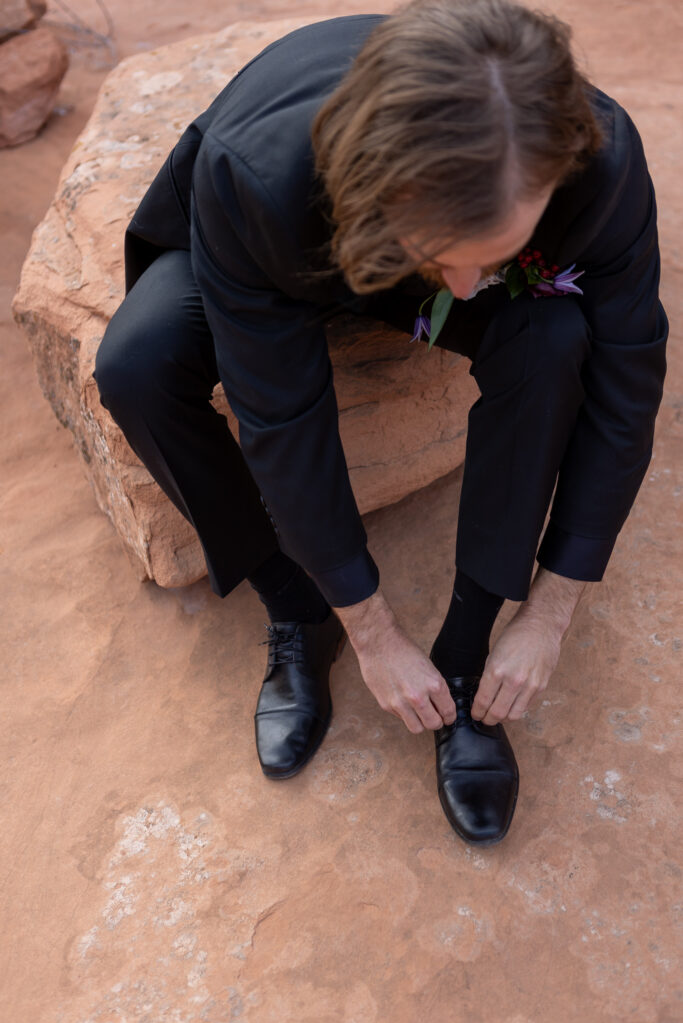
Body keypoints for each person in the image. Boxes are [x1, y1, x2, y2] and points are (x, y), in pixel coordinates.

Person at [94, 0, 668, 845]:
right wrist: (368, 626)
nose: (469, 290)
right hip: (280, 247)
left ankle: (464, 664)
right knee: (136, 367)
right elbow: (282, 416)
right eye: (450, 258)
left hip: (406, 270)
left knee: (550, 335)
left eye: (502, 253)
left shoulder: (599, 165)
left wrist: (550, 612)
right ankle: (298, 613)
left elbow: (626, 386)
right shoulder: (258, 172)